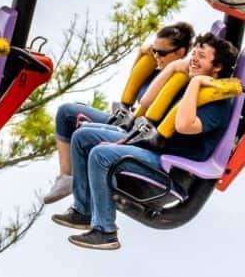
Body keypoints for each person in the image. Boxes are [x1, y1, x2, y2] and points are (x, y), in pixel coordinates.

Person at [58, 31, 239, 252]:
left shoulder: (216, 104)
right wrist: (174, 69)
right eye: (194, 53)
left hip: (168, 171)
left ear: (217, 67)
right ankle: (84, 210)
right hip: (152, 149)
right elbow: (147, 101)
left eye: (201, 56)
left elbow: (184, 125)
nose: (194, 59)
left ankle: (105, 232)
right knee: (82, 136)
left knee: (100, 154)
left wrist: (195, 84)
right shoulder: (188, 82)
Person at [44, 21, 193, 204]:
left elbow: (147, 101)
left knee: (84, 136)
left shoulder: (180, 80)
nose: (156, 57)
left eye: (161, 53)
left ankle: (85, 204)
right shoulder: (158, 69)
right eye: (154, 51)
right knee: (66, 112)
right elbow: (133, 84)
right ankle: (67, 177)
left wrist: (171, 68)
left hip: (141, 138)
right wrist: (141, 52)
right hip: (126, 122)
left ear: (180, 53)